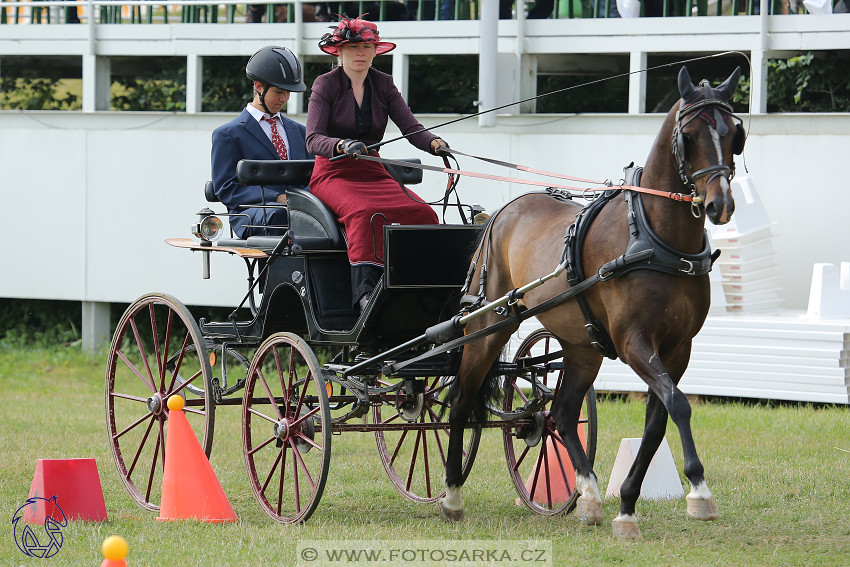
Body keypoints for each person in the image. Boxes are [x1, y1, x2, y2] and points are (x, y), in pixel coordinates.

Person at [306, 16, 449, 311]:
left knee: (421, 211)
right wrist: (341, 145)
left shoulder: (384, 84)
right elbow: (312, 139)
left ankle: (428, 286)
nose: (361, 53)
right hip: (333, 172)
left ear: (375, 51)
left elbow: (411, 128)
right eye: (354, 47)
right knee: (364, 212)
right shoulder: (325, 84)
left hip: (372, 169)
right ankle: (365, 294)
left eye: (367, 47)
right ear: (340, 51)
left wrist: (434, 143)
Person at [211, 46, 312, 239]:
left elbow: (315, 177)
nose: (284, 98)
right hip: (255, 212)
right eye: (279, 91)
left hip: (301, 208)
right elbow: (226, 188)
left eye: (288, 93)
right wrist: (276, 198)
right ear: (258, 86)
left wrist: (304, 200)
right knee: (279, 214)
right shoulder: (228, 135)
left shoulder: (300, 132)